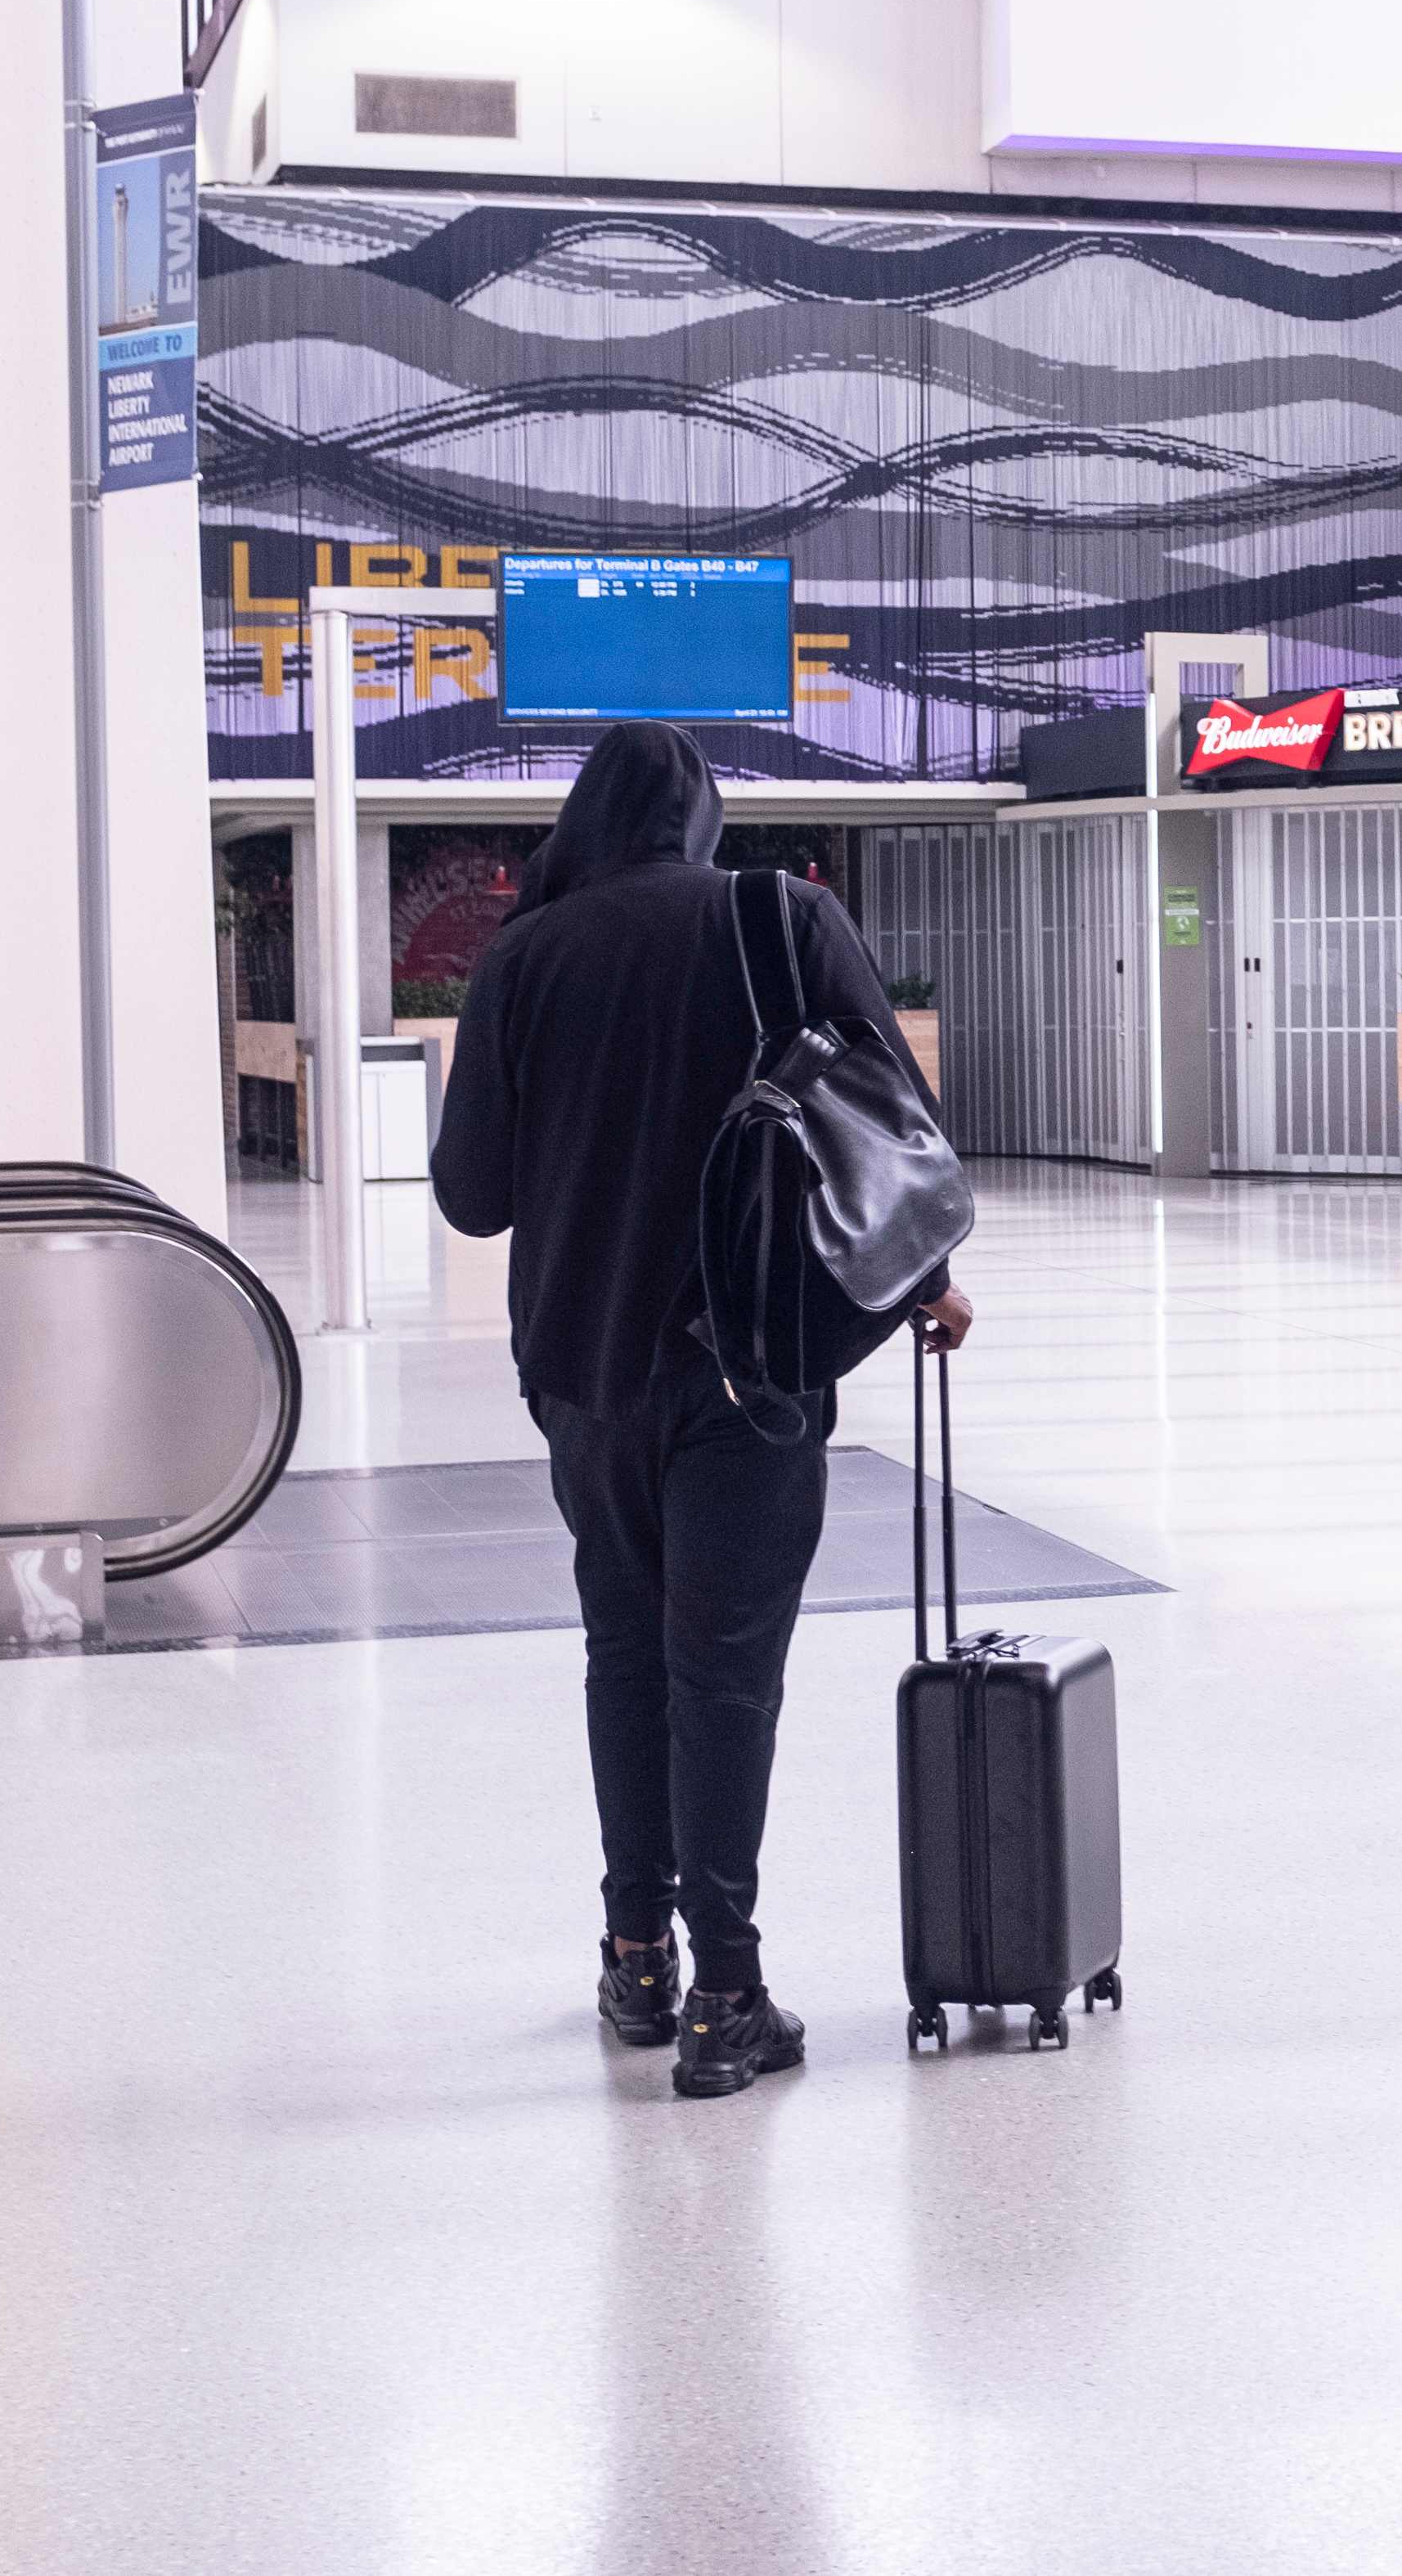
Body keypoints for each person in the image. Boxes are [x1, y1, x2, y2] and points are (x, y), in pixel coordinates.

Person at [435, 723, 973, 2099]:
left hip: (582, 1374)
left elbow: (473, 1197)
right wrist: (929, 1285)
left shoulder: (523, 955)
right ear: (701, 816)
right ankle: (726, 1992)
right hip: (752, 1363)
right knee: (722, 1671)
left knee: (624, 1655)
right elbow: (889, 1123)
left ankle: (635, 1959)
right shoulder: (778, 916)